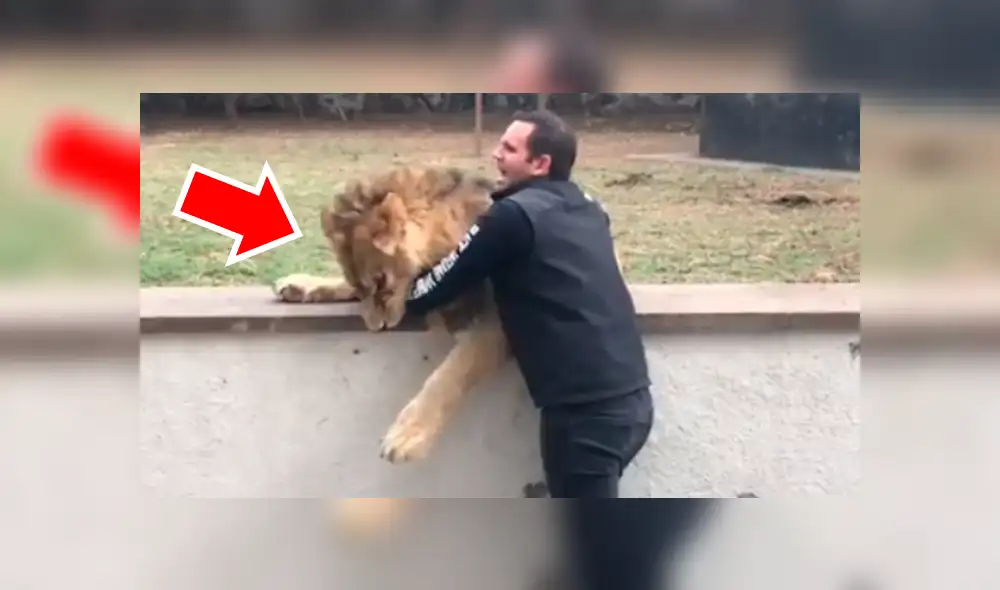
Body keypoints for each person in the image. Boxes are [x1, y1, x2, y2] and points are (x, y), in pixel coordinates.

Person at [404, 108, 653, 499]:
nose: (495, 154)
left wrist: (388, 286)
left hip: (583, 417)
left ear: (540, 163)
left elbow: (427, 294)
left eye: (509, 148)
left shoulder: (511, 217)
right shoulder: (589, 207)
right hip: (634, 403)